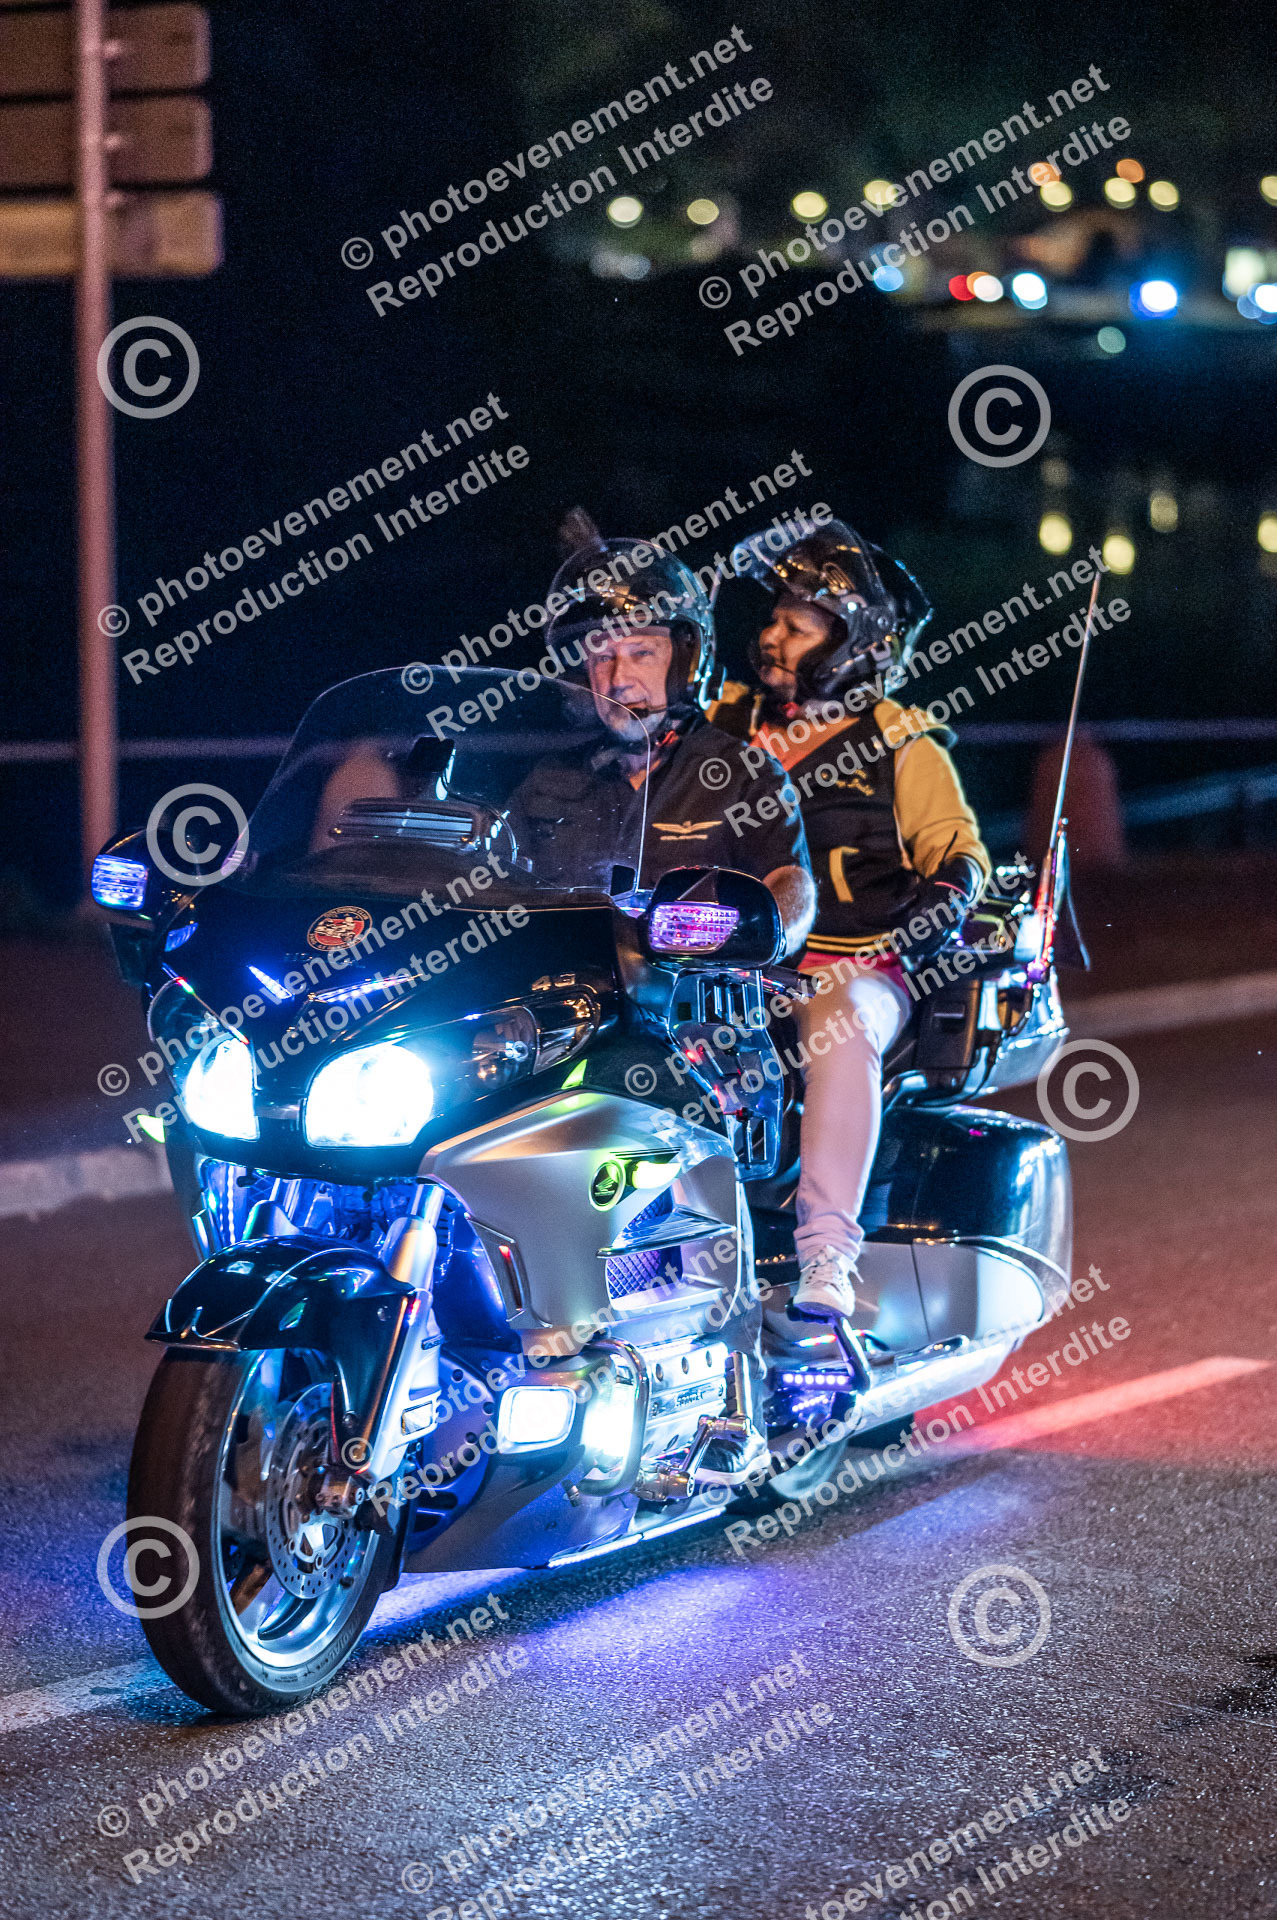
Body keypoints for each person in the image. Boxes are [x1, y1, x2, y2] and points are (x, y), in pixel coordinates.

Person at [510, 520, 817, 1486]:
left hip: (700, 1029)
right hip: (562, 1027)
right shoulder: (549, 780)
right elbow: (484, 878)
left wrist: (760, 924)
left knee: (666, 1133)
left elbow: (791, 888)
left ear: (682, 658)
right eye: (599, 655)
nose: (617, 676)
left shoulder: (737, 769)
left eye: (638, 652)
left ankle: (731, 1393)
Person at [710, 518, 990, 1330]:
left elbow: (957, 847)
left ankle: (826, 1252)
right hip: (728, 963)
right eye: (772, 620)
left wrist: (949, 893)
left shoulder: (901, 741)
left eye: (797, 627)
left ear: (853, 643)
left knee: (835, 1024)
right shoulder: (722, 724)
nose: (771, 637)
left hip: (857, 964)